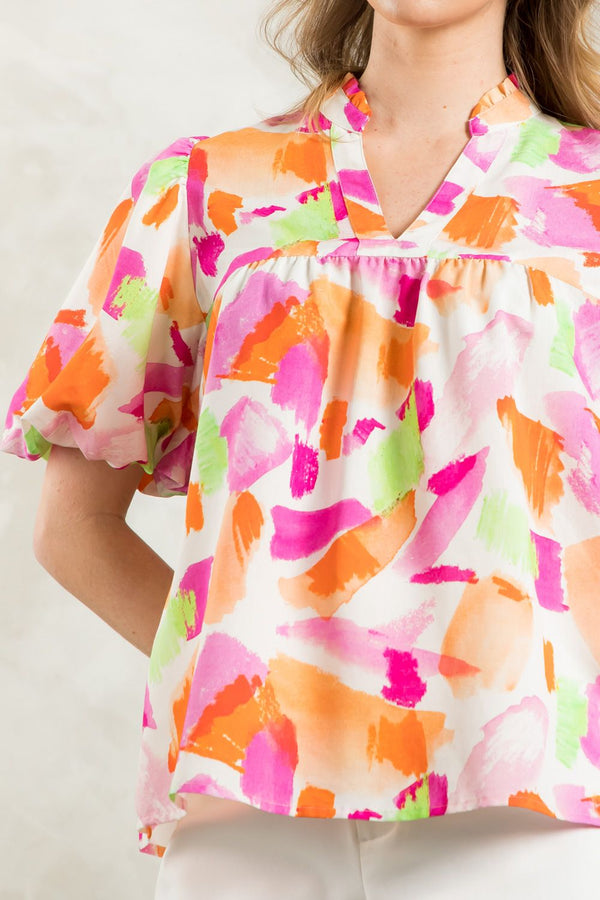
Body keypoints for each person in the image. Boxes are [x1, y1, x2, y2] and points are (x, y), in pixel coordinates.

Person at [2, 0, 600, 896]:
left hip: (526, 809)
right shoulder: (204, 188)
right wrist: (253, 675)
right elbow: (72, 530)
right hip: (248, 816)